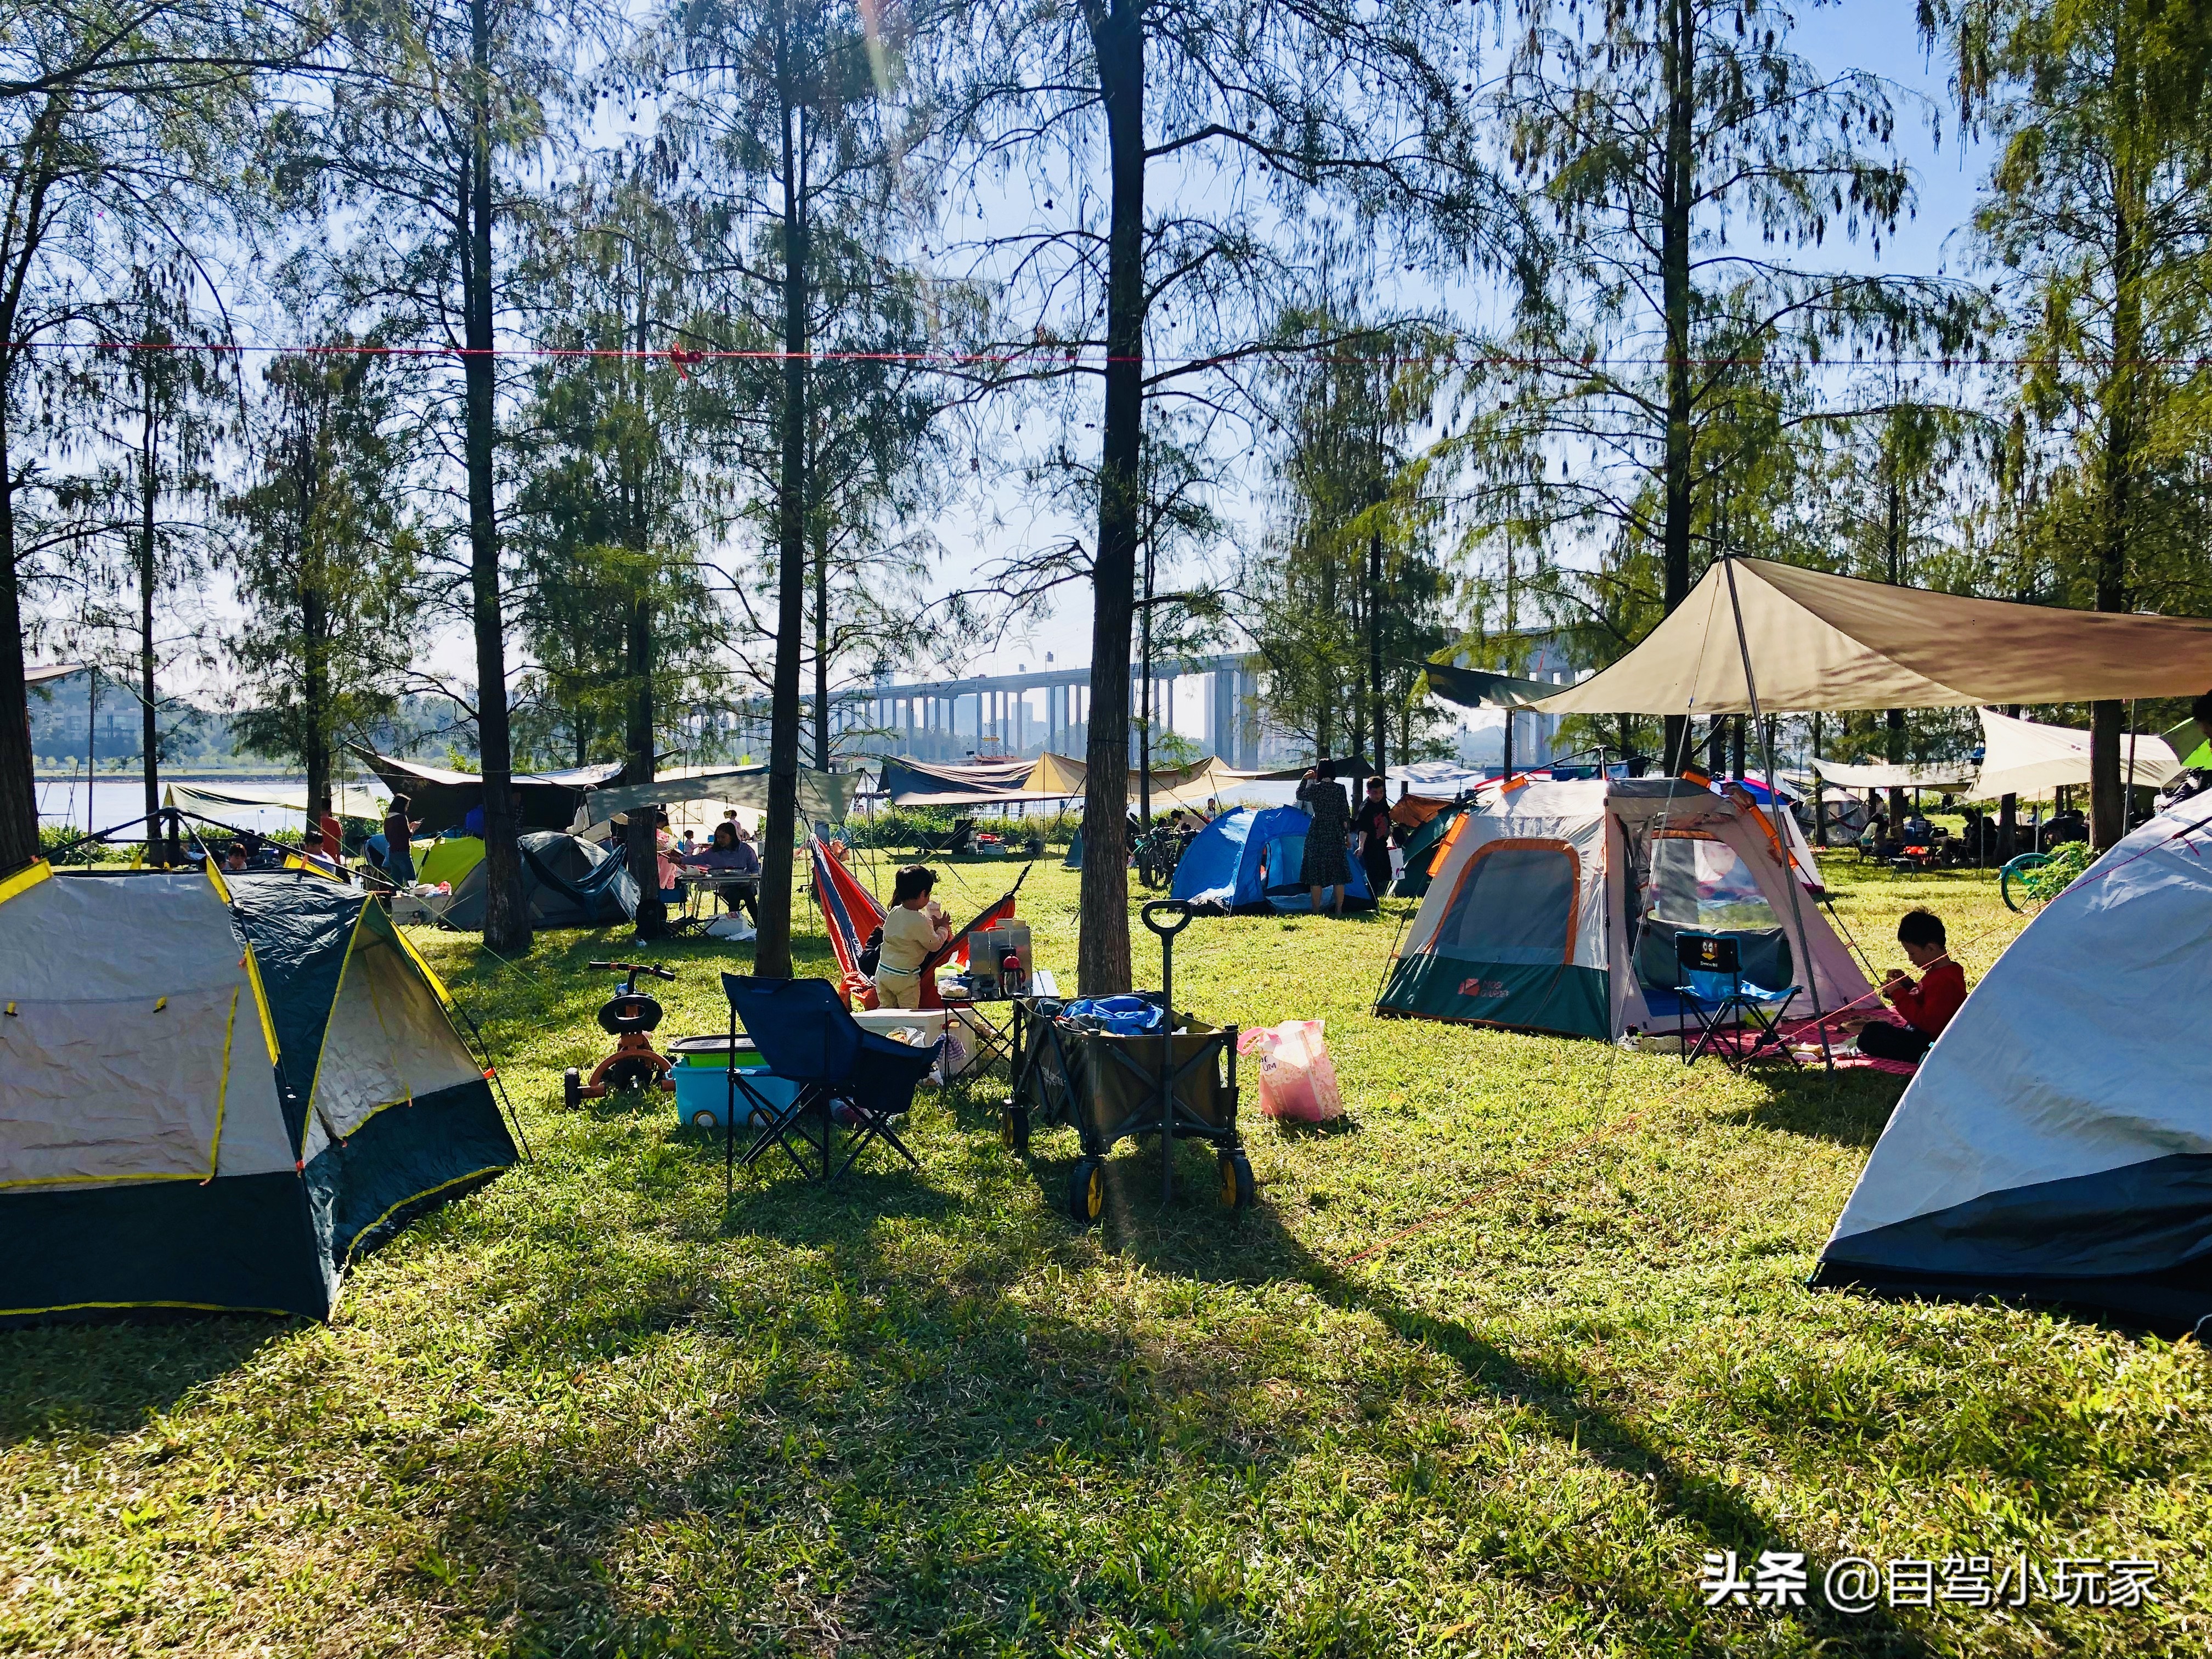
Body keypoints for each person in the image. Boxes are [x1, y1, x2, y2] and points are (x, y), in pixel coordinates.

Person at [1855, 909, 1966, 1065]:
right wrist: (1907, 985)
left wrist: (1899, 994)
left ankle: (1925, 1056)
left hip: (1930, 1041)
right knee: (1874, 1029)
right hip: (1920, 1034)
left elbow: (1928, 1023)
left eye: (1912, 953)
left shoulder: (1944, 981)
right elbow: (1926, 998)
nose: (1910, 959)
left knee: (1871, 1037)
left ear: (1931, 948)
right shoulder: (1939, 972)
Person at [875, 864, 950, 1009]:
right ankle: (908, 1031)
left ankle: (884, 1030)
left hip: (883, 972)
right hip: (904, 979)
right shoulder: (920, 921)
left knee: (886, 1009)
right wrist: (943, 928)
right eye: (928, 895)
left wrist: (931, 926)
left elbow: (908, 933)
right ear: (923, 894)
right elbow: (934, 944)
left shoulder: (895, 912)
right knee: (909, 1013)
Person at [1296, 767, 1352, 915]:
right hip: (1335, 831)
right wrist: (1347, 836)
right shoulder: (1340, 789)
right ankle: (1339, 910)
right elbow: (1345, 814)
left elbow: (1300, 795)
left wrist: (1304, 779)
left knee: (1316, 874)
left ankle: (1315, 911)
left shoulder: (1316, 789)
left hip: (1318, 831)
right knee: (1338, 874)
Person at [681, 820, 760, 922]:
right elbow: (698, 859)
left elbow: (755, 867)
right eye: (718, 838)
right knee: (734, 895)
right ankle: (734, 926)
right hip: (727, 887)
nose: (720, 840)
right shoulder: (714, 852)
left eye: (723, 837)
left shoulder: (746, 850)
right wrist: (681, 860)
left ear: (732, 836)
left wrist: (752, 877)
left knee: (749, 896)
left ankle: (758, 927)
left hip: (746, 886)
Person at [1353, 775, 1394, 899]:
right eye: (1375, 793)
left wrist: (1390, 834)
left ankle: (1378, 895)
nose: (1379, 796)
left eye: (1381, 792)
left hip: (1381, 843)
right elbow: (1363, 830)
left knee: (1385, 871)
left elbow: (1387, 820)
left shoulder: (1383, 803)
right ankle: (1372, 899)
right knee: (1372, 874)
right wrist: (1361, 847)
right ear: (1368, 792)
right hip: (1369, 845)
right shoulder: (1366, 809)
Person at [382, 796, 420, 885]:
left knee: (397, 883)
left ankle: (395, 898)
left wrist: (408, 827)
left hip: (392, 853)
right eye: (406, 806)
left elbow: (390, 836)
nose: (407, 809)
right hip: (403, 852)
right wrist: (414, 827)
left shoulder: (388, 818)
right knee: (412, 881)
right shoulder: (401, 818)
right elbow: (408, 835)